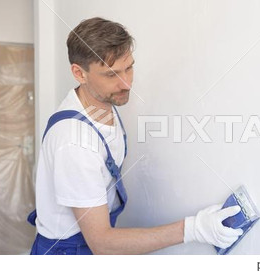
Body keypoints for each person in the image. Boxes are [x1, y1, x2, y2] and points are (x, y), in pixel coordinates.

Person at [28, 17, 243, 255]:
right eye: (111, 75)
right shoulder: (73, 142)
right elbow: (102, 243)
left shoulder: (101, 102)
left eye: (129, 67)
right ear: (80, 73)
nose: (126, 83)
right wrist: (194, 229)